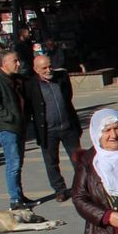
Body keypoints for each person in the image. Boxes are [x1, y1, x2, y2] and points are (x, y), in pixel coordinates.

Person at [25, 54, 81, 202]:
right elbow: (28, 107)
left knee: (78, 160)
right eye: (44, 68)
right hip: (47, 131)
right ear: (36, 69)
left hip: (68, 127)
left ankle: (81, 187)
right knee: (51, 163)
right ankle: (60, 190)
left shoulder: (62, 78)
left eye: (50, 66)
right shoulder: (30, 85)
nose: (48, 70)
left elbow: (68, 98)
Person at [0, 50, 34, 210]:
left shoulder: (17, 78)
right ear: (4, 63)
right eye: (15, 61)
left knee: (18, 163)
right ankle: (15, 200)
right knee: (13, 163)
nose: (18, 63)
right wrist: (10, 117)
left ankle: (19, 195)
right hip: (7, 128)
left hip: (20, 126)